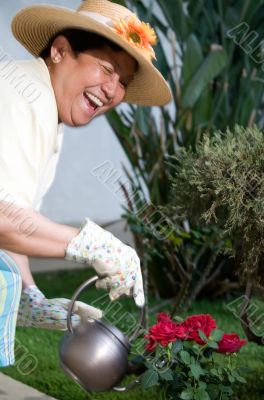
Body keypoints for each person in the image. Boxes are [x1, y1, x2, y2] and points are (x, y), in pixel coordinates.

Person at [0, 0, 172, 367]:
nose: (112, 90)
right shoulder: (19, 96)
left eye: (123, 82)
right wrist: (94, 245)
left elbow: (14, 218)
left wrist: (32, 298)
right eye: (107, 68)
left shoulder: (43, 105)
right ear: (60, 51)